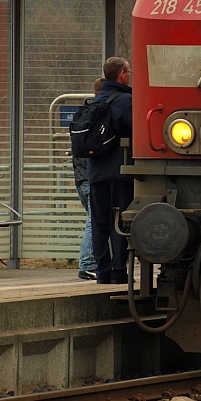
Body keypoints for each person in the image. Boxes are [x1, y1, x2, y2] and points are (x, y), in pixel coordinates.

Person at [88, 57, 134, 285]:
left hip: (95, 173)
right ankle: (118, 272)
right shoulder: (125, 101)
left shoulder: (95, 101)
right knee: (119, 222)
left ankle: (102, 272)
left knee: (99, 223)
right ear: (122, 74)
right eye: (129, 71)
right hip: (119, 171)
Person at [72, 77, 105, 280]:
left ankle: (91, 262)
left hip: (80, 179)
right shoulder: (99, 115)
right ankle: (87, 263)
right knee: (94, 221)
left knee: (93, 219)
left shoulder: (83, 113)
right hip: (91, 178)